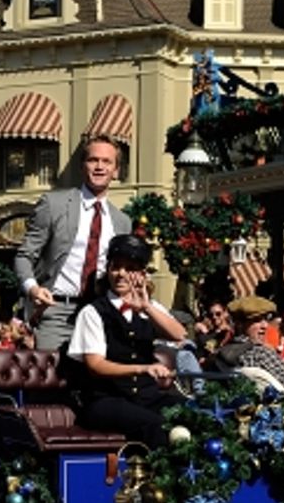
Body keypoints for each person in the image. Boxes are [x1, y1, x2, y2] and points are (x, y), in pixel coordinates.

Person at [66, 233, 186, 446]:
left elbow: (179, 334)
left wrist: (147, 308)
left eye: (129, 268)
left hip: (146, 398)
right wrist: (142, 369)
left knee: (197, 413)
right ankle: (157, 477)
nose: (121, 274)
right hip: (105, 401)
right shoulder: (93, 312)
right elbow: (95, 365)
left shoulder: (149, 308)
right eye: (116, 267)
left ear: (141, 274)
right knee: (155, 424)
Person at [15, 135, 131, 351]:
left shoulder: (122, 222)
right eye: (93, 160)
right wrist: (33, 289)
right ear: (82, 165)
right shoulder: (54, 204)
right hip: (56, 310)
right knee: (54, 379)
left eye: (107, 162)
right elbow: (24, 256)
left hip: (99, 312)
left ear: (116, 171)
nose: (99, 167)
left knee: (96, 380)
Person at [213, 295, 284, 403]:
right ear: (240, 324)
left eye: (266, 319)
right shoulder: (261, 354)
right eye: (257, 320)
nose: (265, 325)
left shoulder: (221, 355)